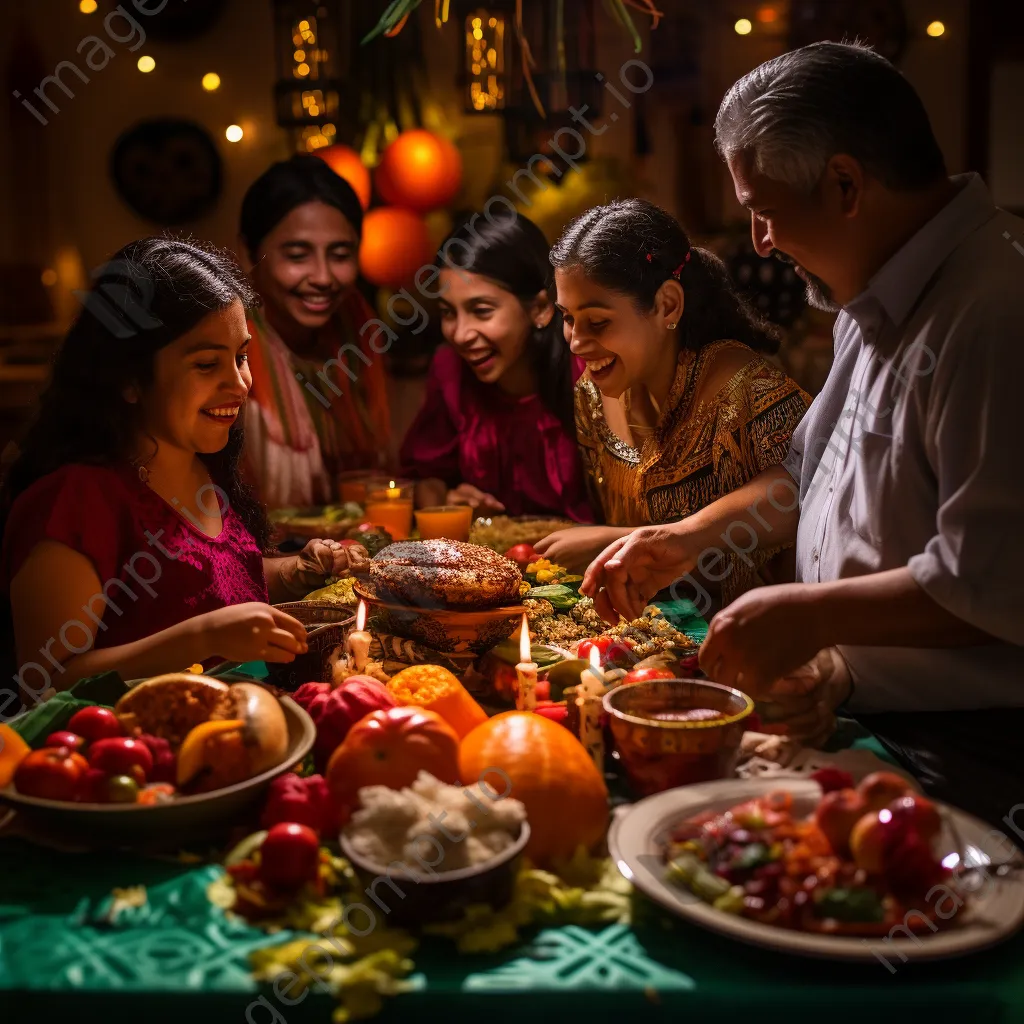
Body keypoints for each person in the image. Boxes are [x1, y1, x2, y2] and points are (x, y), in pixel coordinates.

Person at [583, 42, 1024, 827]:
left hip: (977, 754)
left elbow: (989, 584)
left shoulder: (992, 310)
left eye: (764, 208)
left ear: (846, 184)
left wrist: (814, 616)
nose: (758, 240)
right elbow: (806, 480)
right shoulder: (873, 295)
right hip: (872, 716)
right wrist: (686, 537)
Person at [0, 237, 367, 703]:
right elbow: (46, 683)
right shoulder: (73, 502)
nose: (238, 385)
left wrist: (294, 572)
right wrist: (202, 639)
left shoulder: (203, 466)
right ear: (128, 378)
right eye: (207, 363)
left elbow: (202, 582)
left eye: (241, 357)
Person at [536, 199, 810, 588]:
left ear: (667, 305)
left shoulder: (749, 395)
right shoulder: (592, 395)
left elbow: (805, 499)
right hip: (647, 635)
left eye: (597, 322)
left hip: (750, 635)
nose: (576, 343)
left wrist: (615, 542)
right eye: (568, 318)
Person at [400, 212, 593, 521]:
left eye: (481, 311)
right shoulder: (450, 371)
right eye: (448, 313)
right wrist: (450, 501)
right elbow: (425, 477)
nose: (461, 335)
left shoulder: (589, 372)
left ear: (541, 309)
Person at [240, 156, 392, 509]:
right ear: (249, 252)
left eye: (340, 254)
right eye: (297, 255)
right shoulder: (223, 348)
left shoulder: (359, 328)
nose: (323, 277)